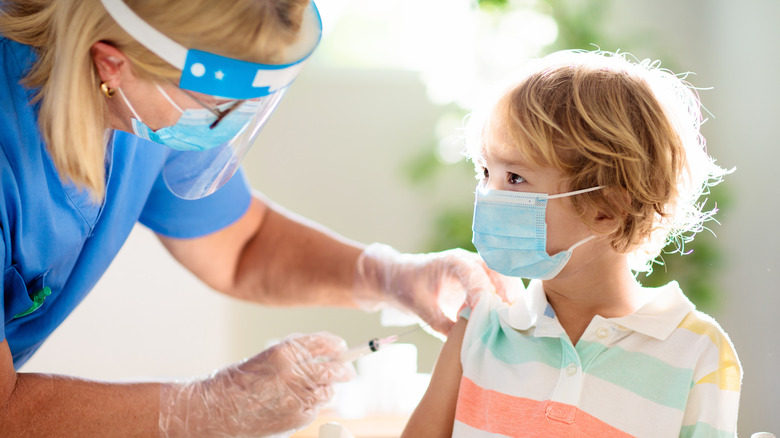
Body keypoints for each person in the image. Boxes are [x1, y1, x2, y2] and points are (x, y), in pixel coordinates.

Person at [0, 0, 500, 436]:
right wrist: (201, 410)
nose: (230, 124)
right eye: (220, 108)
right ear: (111, 64)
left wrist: (391, 276)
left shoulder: (145, 105)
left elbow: (240, 247)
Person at [402, 49, 741, 437]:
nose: (488, 194)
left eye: (514, 177)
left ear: (605, 208)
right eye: (484, 171)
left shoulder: (695, 351)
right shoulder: (481, 326)